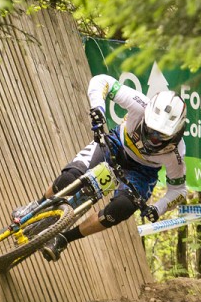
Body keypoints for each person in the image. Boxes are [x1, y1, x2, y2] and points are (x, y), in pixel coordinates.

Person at [14, 74, 189, 262]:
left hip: (142, 172)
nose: (152, 137)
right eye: (150, 129)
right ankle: (38, 204)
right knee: (70, 178)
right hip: (116, 145)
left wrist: (158, 208)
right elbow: (102, 81)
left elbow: (179, 190)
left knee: (122, 208)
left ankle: (64, 238)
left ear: (174, 133)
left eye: (159, 136)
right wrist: (98, 109)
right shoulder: (140, 105)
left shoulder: (176, 153)